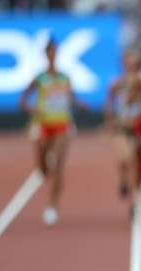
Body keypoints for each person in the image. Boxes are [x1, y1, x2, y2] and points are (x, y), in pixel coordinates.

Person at [20, 38, 87, 226]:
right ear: (45, 54)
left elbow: (71, 99)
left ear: (57, 53)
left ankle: (52, 206)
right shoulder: (39, 78)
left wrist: (81, 105)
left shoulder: (64, 78)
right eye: (49, 51)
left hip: (62, 125)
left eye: (54, 51)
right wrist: (32, 110)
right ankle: (47, 173)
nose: (52, 55)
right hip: (42, 125)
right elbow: (22, 101)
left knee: (57, 164)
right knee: (42, 169)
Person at [104, 50, 141, 214]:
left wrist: (137, 87)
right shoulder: (117, 83)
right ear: (123, 64)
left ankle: (134, 202)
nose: (130, 65)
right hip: (122, 127)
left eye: (133, 62)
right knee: (124, 158)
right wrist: (110, 121)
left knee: (133, 160)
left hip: (137, 126)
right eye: (128, 62)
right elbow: (109, 101)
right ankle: (124, 179)